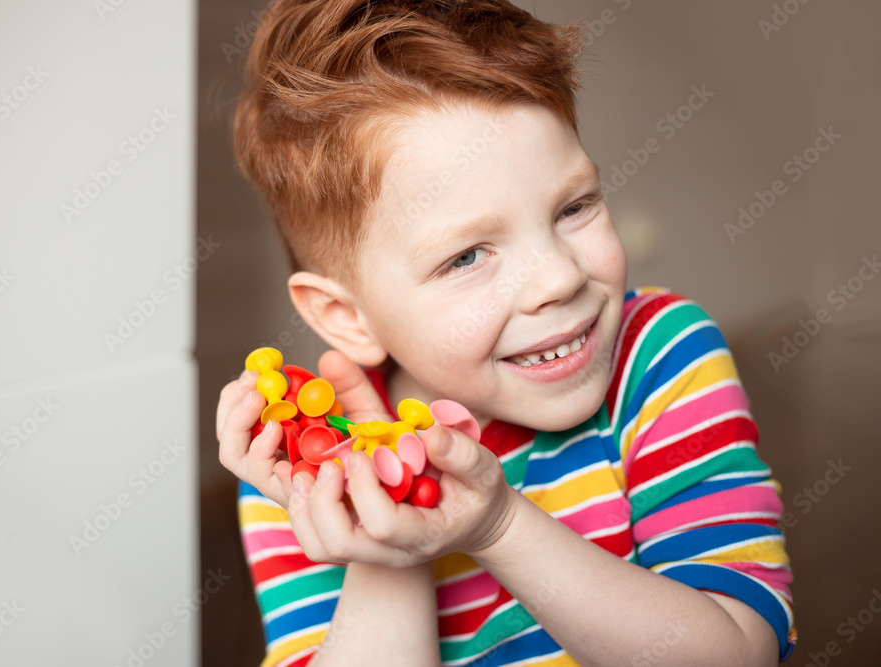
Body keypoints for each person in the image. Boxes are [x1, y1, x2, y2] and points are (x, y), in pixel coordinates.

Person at [217, 1, 797, 665]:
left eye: (573, 207)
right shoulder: (305, 469)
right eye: (467, 255)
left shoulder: (660, 355)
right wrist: (386, 543)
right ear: (348, 318)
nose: (559, 277)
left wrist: (499, 526)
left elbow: (736, 654)